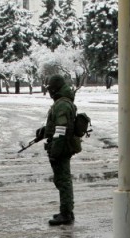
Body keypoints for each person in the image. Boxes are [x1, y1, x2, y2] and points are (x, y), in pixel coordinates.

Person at [39, 74, 81, 226]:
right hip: (62, 146)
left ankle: (66, 213)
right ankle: (66, 211)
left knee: (63, 181)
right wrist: (44, 131)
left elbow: (61, 129)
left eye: (50, 89)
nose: (49, 92)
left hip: (61, 147)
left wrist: (55, 150)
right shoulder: (63, 102)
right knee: (63, 180)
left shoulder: (62, 104)